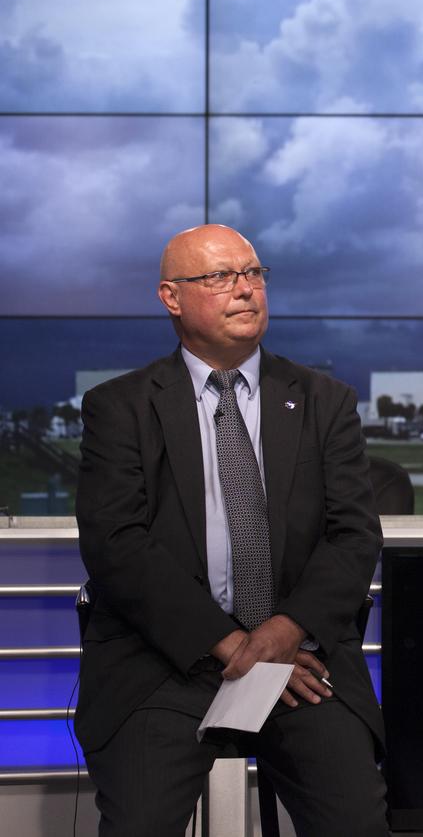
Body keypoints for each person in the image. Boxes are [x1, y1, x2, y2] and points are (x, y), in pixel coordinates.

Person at [75, 224, 388, 836]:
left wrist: (280, 634)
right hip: (163, 663)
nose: (245, 290)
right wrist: (236, 648)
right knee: (138, 824)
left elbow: (353, 537)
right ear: (171, 297)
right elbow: (118, 548)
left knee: (357, 821)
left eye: (253, 273)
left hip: (297, 661)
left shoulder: (324, 401)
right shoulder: (120, 408)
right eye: (219, 277)